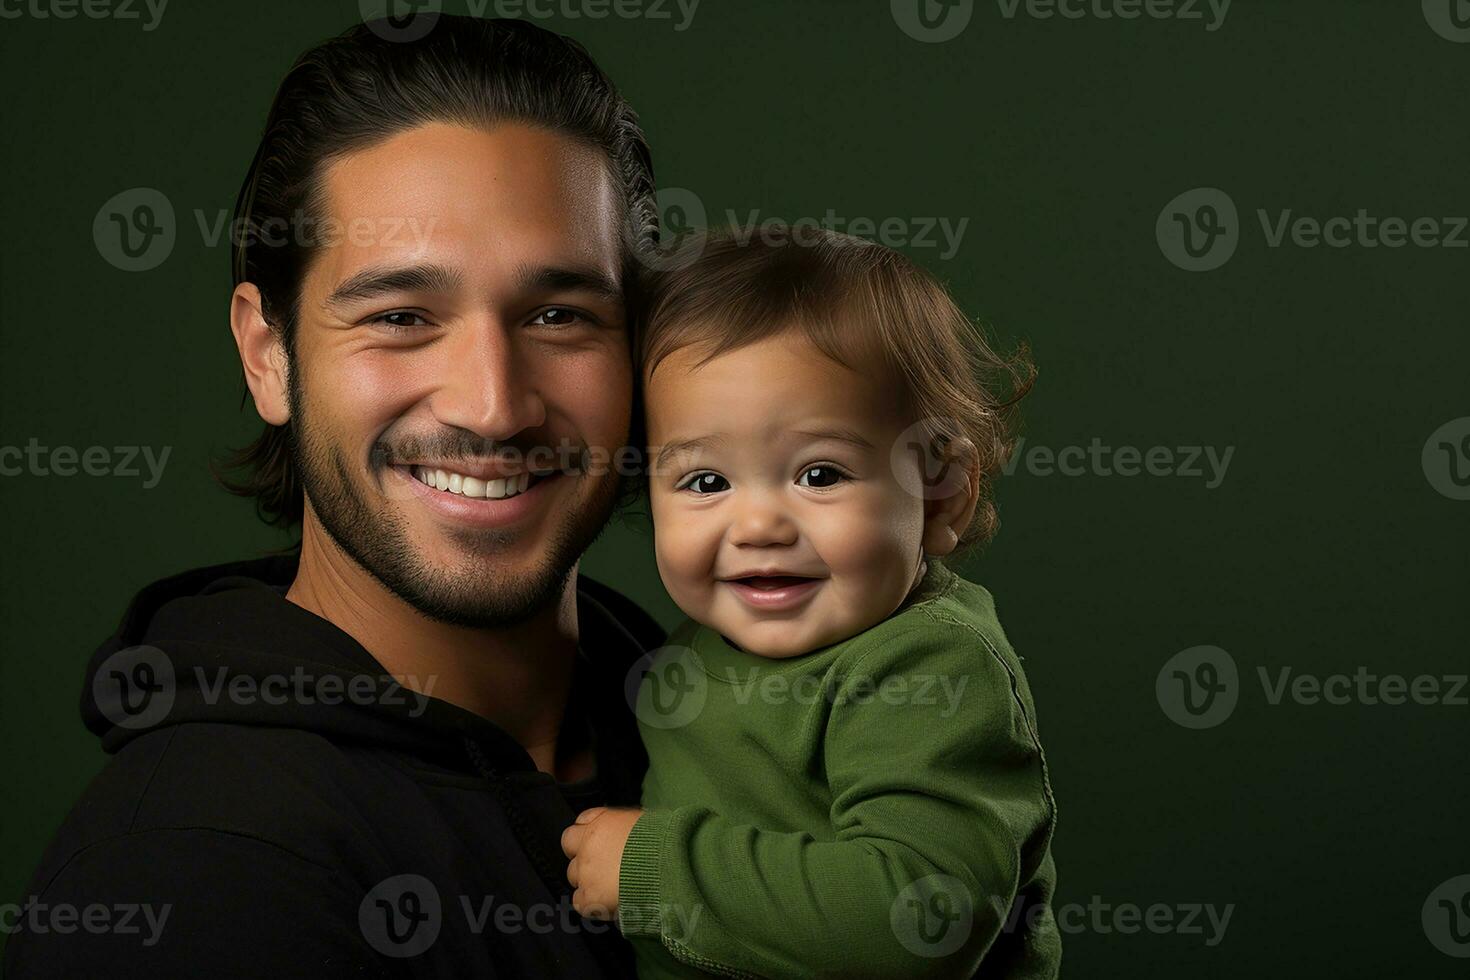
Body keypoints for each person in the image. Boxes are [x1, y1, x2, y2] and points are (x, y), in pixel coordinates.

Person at [5, 15, 666, 978]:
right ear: (267, 357)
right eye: (401, 317)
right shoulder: (196, 876)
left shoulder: (736, 720)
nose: (492, 405)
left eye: (559, 315)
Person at [560, 230, 1061, 978]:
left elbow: (922, 916)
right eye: (705, 482)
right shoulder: (689, 647)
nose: (759, 525)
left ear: (941, 492)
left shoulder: (925, 667)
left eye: (820, 474)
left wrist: (655, 869)